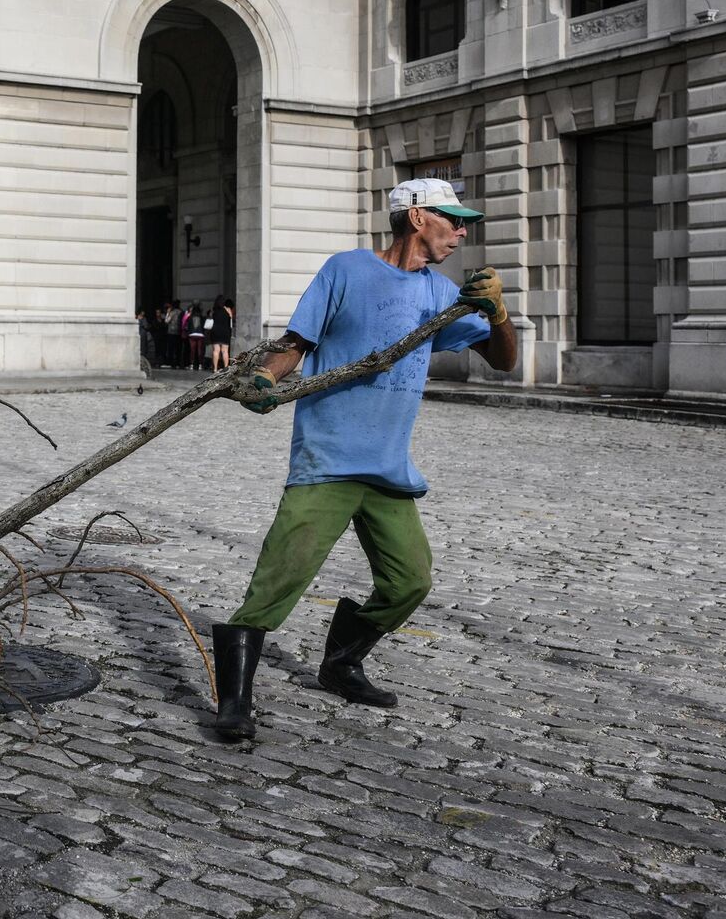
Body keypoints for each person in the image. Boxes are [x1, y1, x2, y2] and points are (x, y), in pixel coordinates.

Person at [210, 178, 517, 740]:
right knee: (276, 584)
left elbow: (503, 361)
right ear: (419, 217)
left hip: (387, 470)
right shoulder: (345, 270)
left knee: (409, 583)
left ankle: (340, 664)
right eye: (454, 218)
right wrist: (261, 379)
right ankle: (234, 703)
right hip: (326, 461)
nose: (463, 230)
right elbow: (296, 344)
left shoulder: (441, 293)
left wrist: (497, 313)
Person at [208, 295, 234, 371]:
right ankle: (226, 368)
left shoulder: (213, 310)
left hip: (215, 331)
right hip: (225, 332)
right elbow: (230, 321)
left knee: (216, 350)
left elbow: (210, 321)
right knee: (225, 351)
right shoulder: (228, 309)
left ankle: (215, 368)